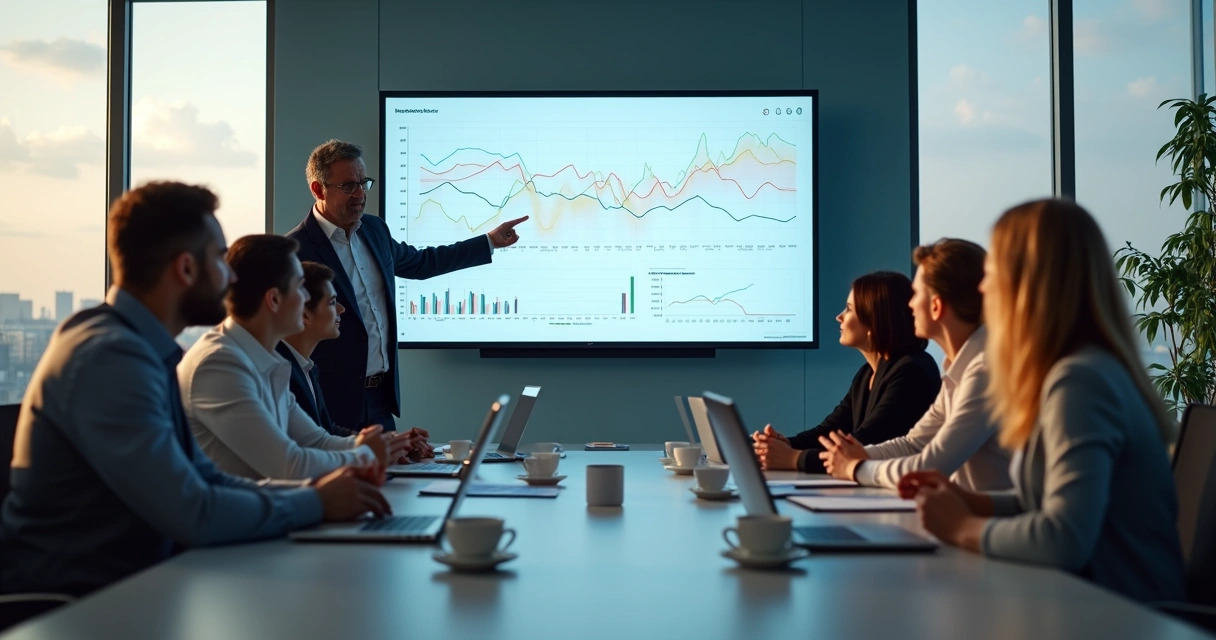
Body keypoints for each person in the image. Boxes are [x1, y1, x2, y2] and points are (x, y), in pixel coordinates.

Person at [0, 182, 389, 597]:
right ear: (186, 269)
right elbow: (192, 510)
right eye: (220, 260)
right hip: (77, 603)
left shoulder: (137, 348)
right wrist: (315, 502)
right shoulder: (110, 358)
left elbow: (205, 480)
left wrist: (318, 493)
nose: (232, 276)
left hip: (136, 587)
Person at [902, 198, 1185, 602]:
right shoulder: (1081, 370)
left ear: (1028, 284)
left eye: (993, 273)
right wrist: (971, 501)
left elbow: (1065, 537)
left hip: (1119, 616)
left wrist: (961, 528)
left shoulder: (1080, 382)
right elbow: (1047, 501)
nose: (983, 288)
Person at [286, 139, 529, 432]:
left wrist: (488, 241)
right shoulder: (294, 251)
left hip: (380, 399)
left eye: (364, 183)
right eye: (349, 186)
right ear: (318, 189)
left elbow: (421, 263)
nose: (360, 194)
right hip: (329, 401)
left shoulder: (375, 230)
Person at [178, 234, 413, 480]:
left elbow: (316, 440)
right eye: (300, 287)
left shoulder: (265, 358)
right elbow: (289, 464)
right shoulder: (219, 364)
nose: (306, 299)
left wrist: (382, 445)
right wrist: (368, 454)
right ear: (274, 299)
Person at [818, 239, 1011, 492]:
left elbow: (930, 465)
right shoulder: (960, 369)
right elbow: (913, 445)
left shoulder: (985, 371)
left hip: (991, 524)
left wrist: (855, 467)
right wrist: (859, 456)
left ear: (936, 306)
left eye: (916, 294)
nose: (909, 305)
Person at [753, 271, 940, 472]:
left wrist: (794, 459)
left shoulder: (911, 373)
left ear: (874, 321)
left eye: (849, 309)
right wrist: (783, 446)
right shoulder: (867, 373)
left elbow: (864, 445)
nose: (839, 317)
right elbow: (830, 431)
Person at [277, 261, 433, 458]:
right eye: (333, 302)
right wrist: (372, 451)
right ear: (305, 314)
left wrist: (392, 442)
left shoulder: (306, 367)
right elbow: (307, 450)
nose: (342, 309)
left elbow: (325, 433)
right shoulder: (280, 371)